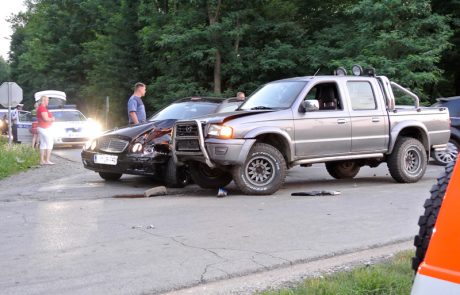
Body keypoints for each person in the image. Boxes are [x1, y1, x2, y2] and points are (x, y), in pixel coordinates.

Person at [37, 96, 55, 165]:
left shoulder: (41, 108)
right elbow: (46, 119)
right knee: (50, 143)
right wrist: (52, 119)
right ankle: (47, 160)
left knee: (43, 143)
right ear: (44, 101)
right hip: (45, 128)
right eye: (47, 100)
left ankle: (42, 161)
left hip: (41, 127)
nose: (48, 102)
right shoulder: (42, 108)